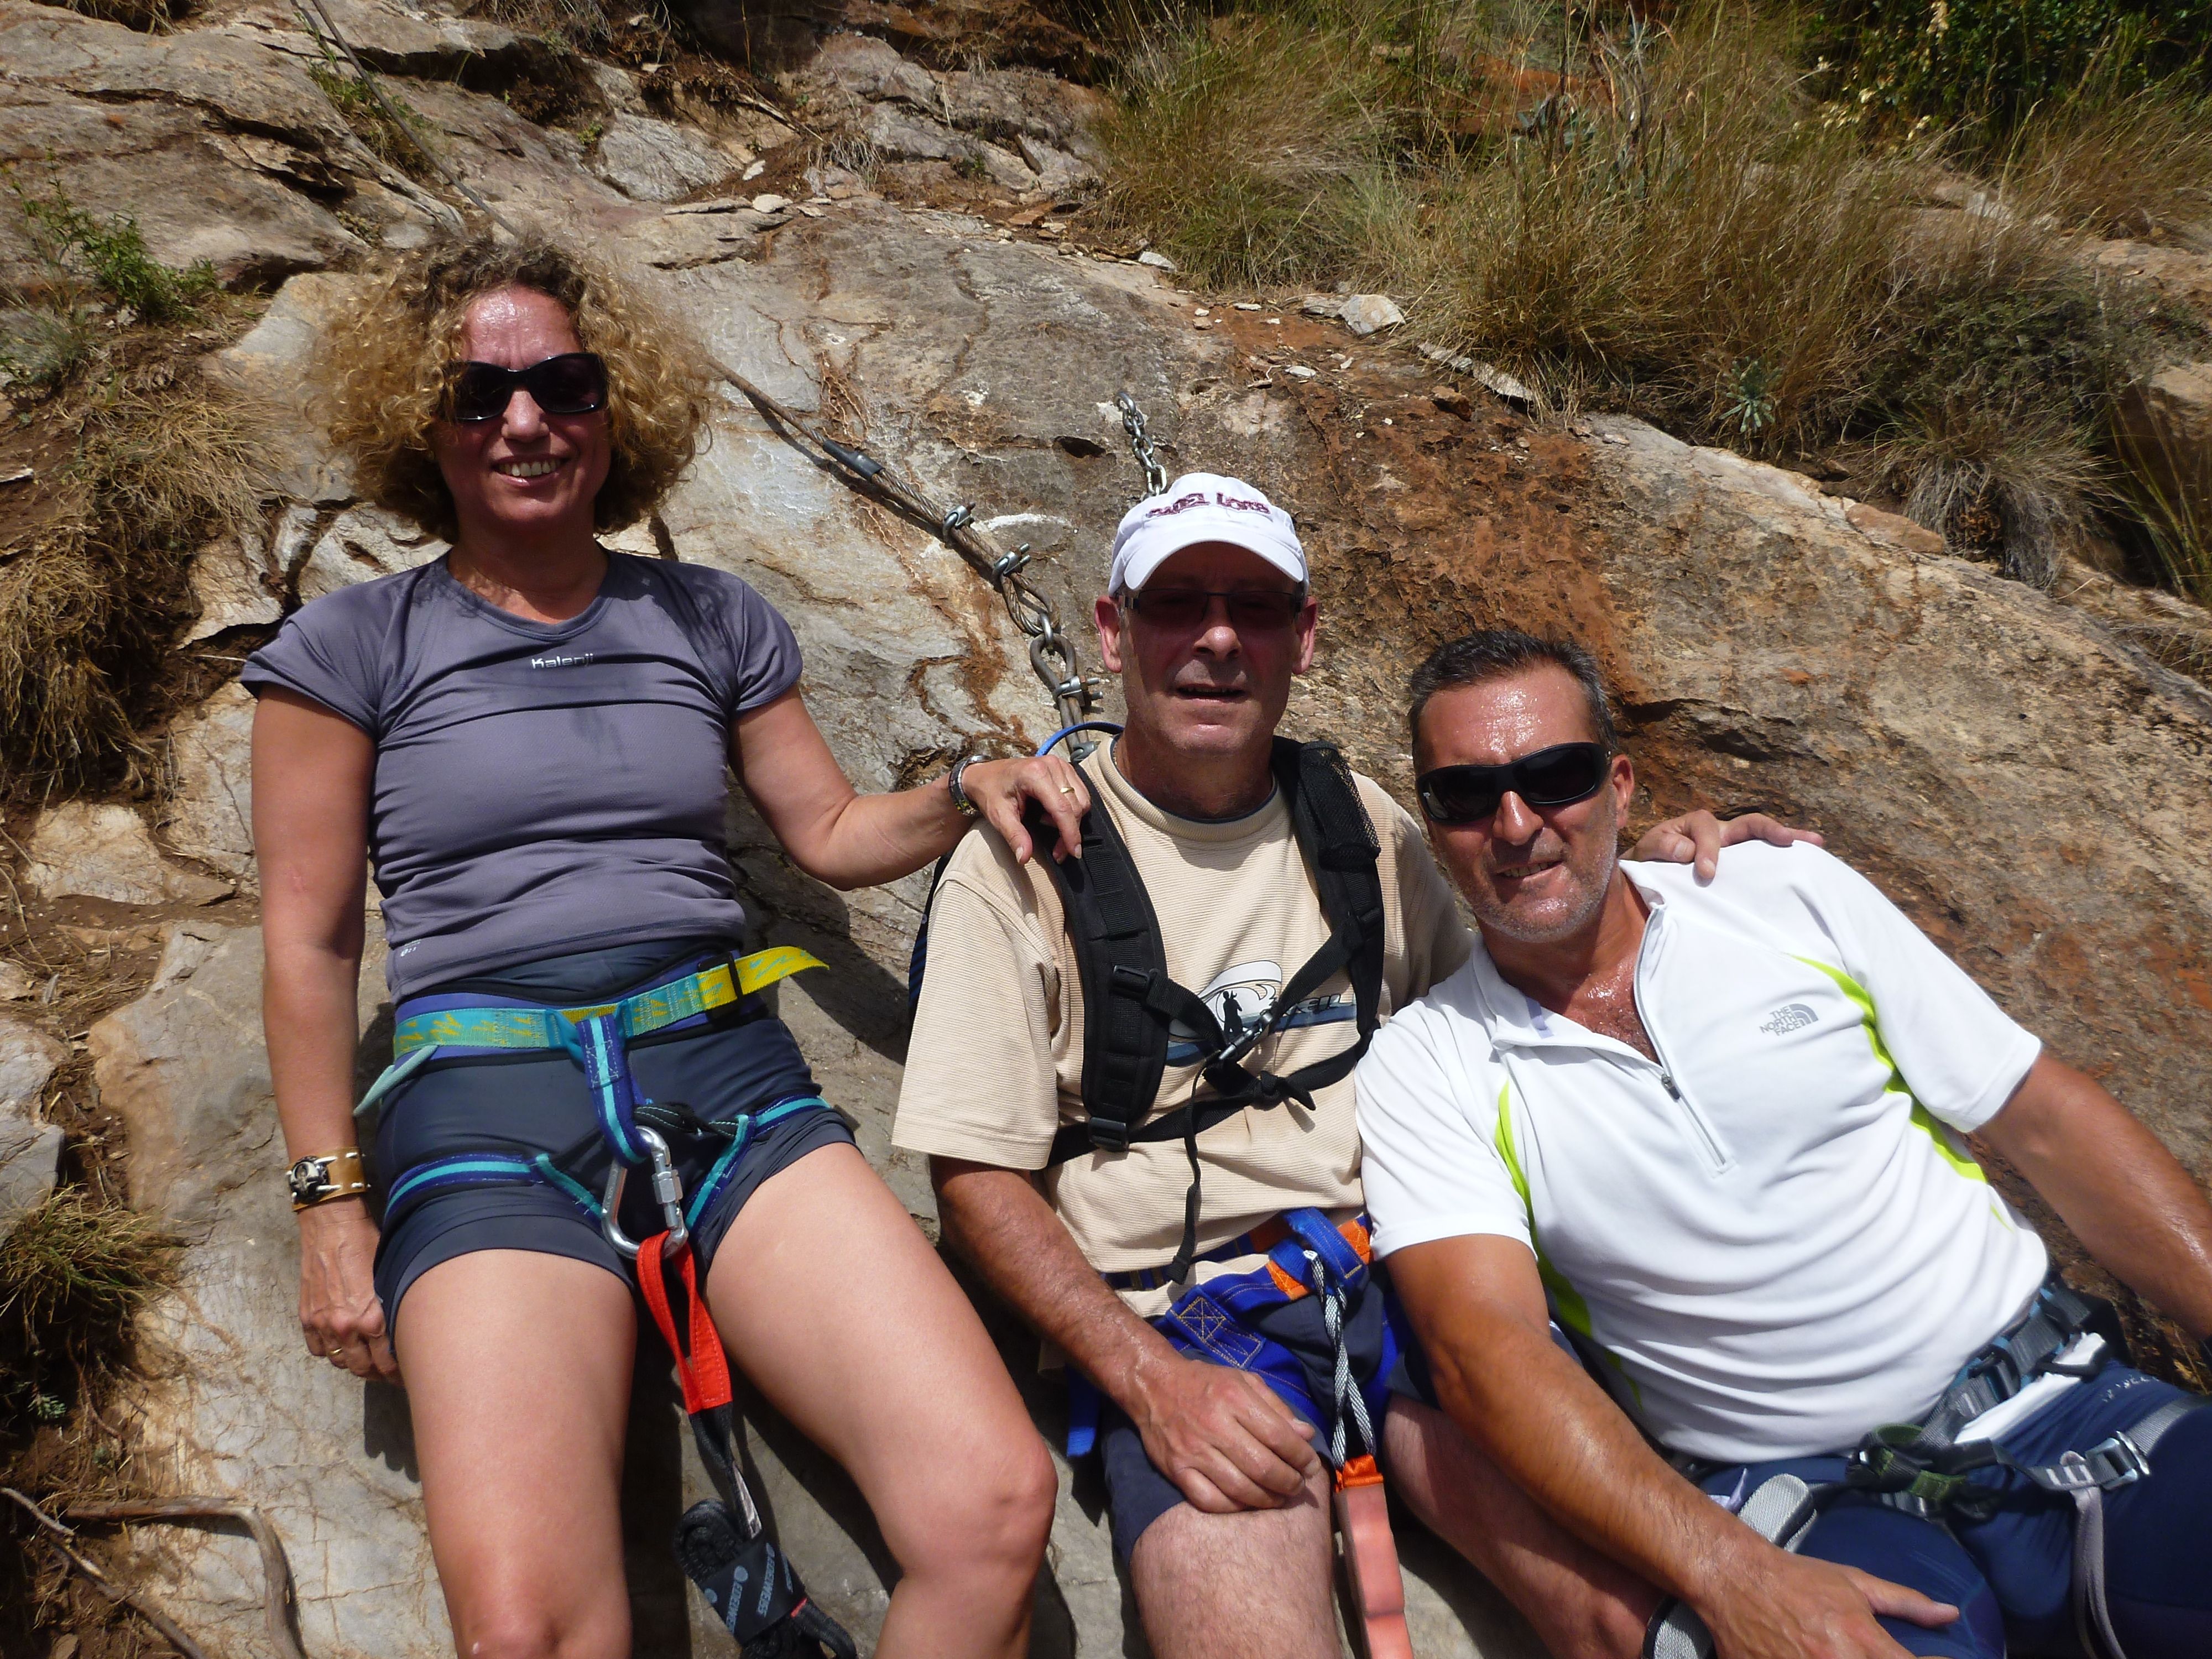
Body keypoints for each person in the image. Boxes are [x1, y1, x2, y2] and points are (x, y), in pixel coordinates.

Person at [248, 230, 1081, 1659]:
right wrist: (330, 1206)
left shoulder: (707, 616)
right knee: (528, 1633)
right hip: (486, 1110)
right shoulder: (352, 646)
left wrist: (963, 792)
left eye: (564, 384)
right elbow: (309, 937)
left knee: (993, 1505)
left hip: (731, 1087)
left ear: (613, 406)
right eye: (479, 394)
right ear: (424, 422)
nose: (525, 420)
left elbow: (823, 831)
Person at [892, 474, 1812, 1658]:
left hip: (1412, 1279)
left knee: (1627, 1618)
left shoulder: (1357, 823)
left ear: (1303, 638)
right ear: (1113, 632)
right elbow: (975, 1178)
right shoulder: (1019, 865)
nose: (1218, 639)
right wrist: (1147, 1385)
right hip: (1189, 1326)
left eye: (1255, 607)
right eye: (1177, 603)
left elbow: (1516, 955)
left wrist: (1654, 872)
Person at [1357, 627, 2212, 1659]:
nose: (1516, 823)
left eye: (1557, 775)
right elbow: (1481, 1346)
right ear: (1432, 821)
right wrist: (1726, 1570)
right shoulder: (1425, 1062)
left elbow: (2040, 1115)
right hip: (1812, 1508)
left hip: (2061, 1403)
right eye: (1464, 794)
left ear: (1620, 785)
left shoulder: (1780, 896)